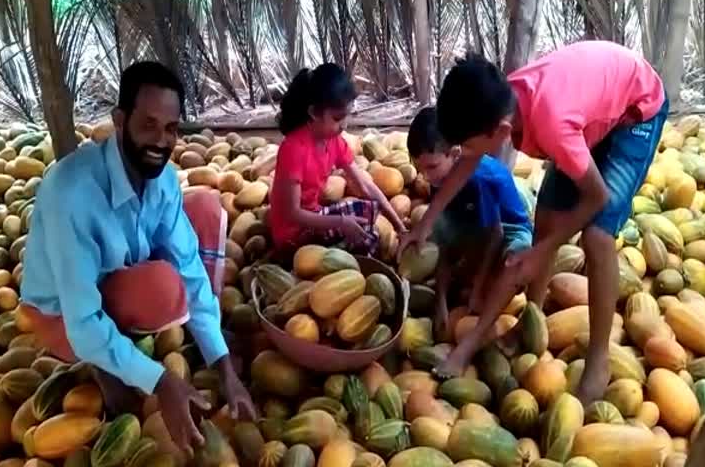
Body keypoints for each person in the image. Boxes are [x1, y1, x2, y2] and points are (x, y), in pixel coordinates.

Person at [399, 41, 668, 403]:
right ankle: (534, 320)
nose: (465, 154)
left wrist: (545, 250)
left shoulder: (551, 124)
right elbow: (469, 161)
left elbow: (597, 196)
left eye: (469, 145)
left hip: (636, 111)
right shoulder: (498, 103)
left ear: (501, 131)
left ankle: (599, 359)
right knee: (544, 220)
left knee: (597, 236)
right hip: (590, 117)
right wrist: (424, 224)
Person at [19, 61, 257, 456]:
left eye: (170, 129)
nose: (161, 141)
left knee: (204, 209)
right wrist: (161, 381)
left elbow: (191, 269)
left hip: (117, 278)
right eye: (148, 125)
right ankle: (111, 370)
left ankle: (148, 347)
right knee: (161, 289)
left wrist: (224, 367)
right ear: (119, 119)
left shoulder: (160, 177)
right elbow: (82, 320)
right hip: (59, 312)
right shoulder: (71, 192)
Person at [407, 107, 532, 377]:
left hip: (509, 228)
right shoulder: (438, 177)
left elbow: (496, 234)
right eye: (420, 169)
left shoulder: (480, 179)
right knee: (440, 235)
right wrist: (439, 301)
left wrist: (477, 287)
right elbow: (444, 238)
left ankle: (474, 339)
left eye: (431, 167)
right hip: (475, 225)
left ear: (454, 154)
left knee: (514, 262)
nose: (426, 176)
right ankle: (456, 290)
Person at [270, 63, 406, 257]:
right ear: (314, 113)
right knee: (368, 237)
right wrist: (340, 222)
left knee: (367, 216)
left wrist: (400, 227)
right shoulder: (293, 149)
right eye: (337, 118)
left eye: (346, 116)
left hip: (315, 216)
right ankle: (294, 264)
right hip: (292, 234)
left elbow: (366, 186)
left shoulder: (334, 141)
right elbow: (293, 213)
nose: (344, 125)